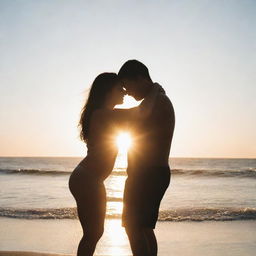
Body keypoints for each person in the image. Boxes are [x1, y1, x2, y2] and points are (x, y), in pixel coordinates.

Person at [68, 72, 161, 256]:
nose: (125, 92)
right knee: (92, 234)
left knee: (93, 233)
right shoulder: (103, 115)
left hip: (87, 178)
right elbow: (143, 112)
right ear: (108, 91)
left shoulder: (104, 114)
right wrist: (155, 89)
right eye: (120, 88)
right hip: (87, 179)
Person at [118, 60, 175, 256]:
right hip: (149, 174)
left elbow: (139, 117)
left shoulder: (156, 101)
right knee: (143, 228)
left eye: (128, 86)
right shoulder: (155, 99)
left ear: (141, 78)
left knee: (133, 227)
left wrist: (154, 89)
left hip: (148, 174)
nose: (128, 93)